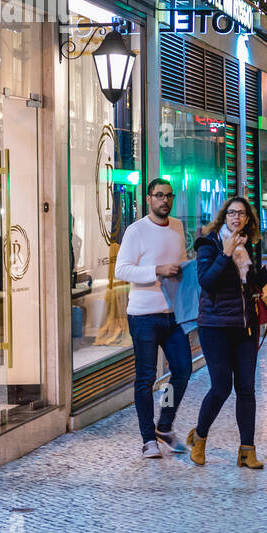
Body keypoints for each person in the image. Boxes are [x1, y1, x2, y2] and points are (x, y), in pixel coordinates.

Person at [187, 196, 267, 469]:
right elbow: (206, 281)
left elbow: (251, 286)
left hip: (245, 326)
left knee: (246, 389)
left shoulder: (247, 245)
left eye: (241, 214)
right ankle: (200, 437)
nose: (236, 217)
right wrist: (225, 253)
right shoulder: (208, 243)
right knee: (221, 387)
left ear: (248, 219)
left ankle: (247, 450)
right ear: (223, 216)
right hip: (215, 327)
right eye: (231, 213)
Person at [115, 178, 192, 459]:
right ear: (149, 199)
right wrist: (156, 270)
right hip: (144, 315)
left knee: (183, 370)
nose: (165, 201)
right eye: (159, 195)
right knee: (145, 378)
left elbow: (179, 265)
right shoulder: (136, 231)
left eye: (169, 196)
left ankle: (165, 424)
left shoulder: (178, 227)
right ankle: (148, 439)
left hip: (173, 315)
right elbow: (121, 270)